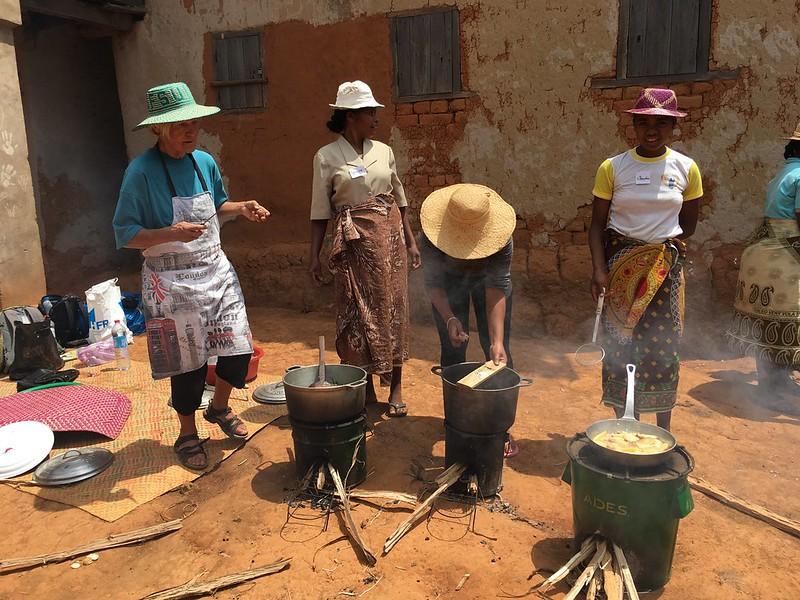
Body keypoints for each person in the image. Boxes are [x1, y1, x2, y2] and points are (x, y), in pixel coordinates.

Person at [113, 82, 270, 470]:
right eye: (180, 124)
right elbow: (126, 234)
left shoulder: (204, 162)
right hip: (171, 283)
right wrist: (171, 233)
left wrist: (241, 207)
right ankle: (186, 433)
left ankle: (218, 408)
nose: (190, 130)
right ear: (157, 129)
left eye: (193, 122)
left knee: (238, 350)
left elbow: (218, 205)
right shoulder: (140, 173)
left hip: (215, 272)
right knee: (188, 362)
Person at [588, 88, 703, 432]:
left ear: (673, 127)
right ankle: (627, 426)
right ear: (634, 125)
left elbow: (689, 226)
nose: (652, 131)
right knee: (621, 346)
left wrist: (656, 251)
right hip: (620, 271)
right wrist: (599, 269)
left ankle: (661, 430)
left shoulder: (686, 168)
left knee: (663, 347)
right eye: (644, 123)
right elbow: (596, 226)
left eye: (661, 124)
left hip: (665, 272)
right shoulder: (613, 168)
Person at [309, 80, 421, 417]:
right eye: (369, 112)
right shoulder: (326, 157)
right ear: (350, 115)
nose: (375, 117)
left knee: (394, 309)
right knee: (357, 314)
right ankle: (367, 386)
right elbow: (319, 211)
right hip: (354, 248)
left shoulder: (384, 151)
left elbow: (399, 201)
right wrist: (313, 255)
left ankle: (396, 386)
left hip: (390, 244)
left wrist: (412, 242)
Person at [419, 183, 519, 456]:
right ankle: (457, 421)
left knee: (498, 354)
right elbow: (433, 284)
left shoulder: (501, 241)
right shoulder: (430, 238)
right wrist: (450, 318)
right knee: (453, 351)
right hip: (449, 287)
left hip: (488, 286)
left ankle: (499, 428)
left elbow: (497, 287)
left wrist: (497, 341)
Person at [727, 121, 800, 395]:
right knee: (791, 318)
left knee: (769, 319)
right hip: (785, 256)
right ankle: (775, 388)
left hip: (764, 252)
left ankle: (772, 382)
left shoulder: (782, 174)